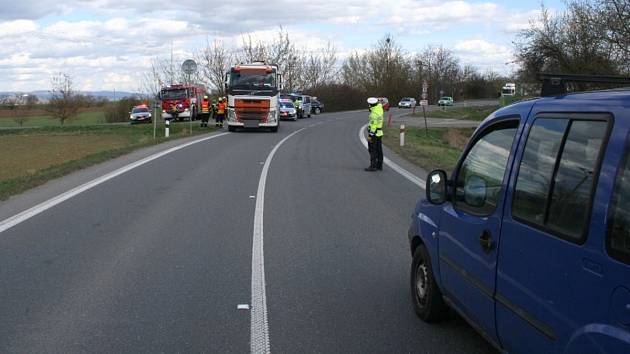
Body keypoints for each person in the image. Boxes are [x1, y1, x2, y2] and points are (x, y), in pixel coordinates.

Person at [365, 97, 384, 172]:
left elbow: (373, 126)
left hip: (374, 134)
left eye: (369, 105)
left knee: (372, 150)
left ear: (370, 105)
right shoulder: (379, 108)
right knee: (379, 150)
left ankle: (373, 166)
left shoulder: (373, 114)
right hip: (379, 133)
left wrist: (370, 135)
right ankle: (379, 165)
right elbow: (379, 104)